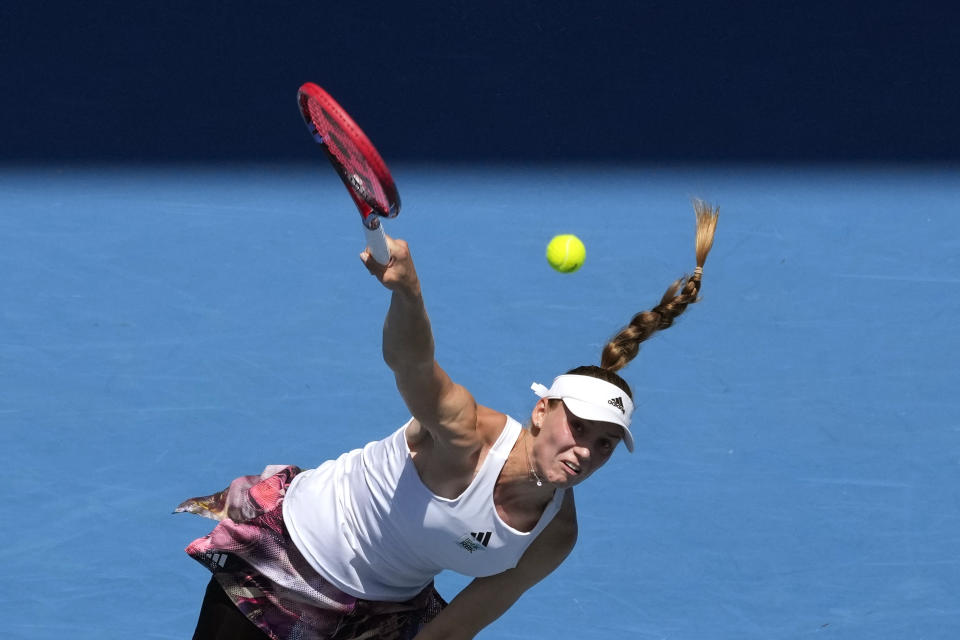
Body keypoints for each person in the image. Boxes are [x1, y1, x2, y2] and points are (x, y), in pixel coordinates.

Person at [177, 201, 720, 640]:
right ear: (541, 411)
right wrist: (407, 293)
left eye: (604, 444)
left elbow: (457, 627)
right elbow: (411, 364)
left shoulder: (555, 535)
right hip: (293, 558)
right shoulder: (465, 434)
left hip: (379, 615)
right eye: (578, 428)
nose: (586, 451)